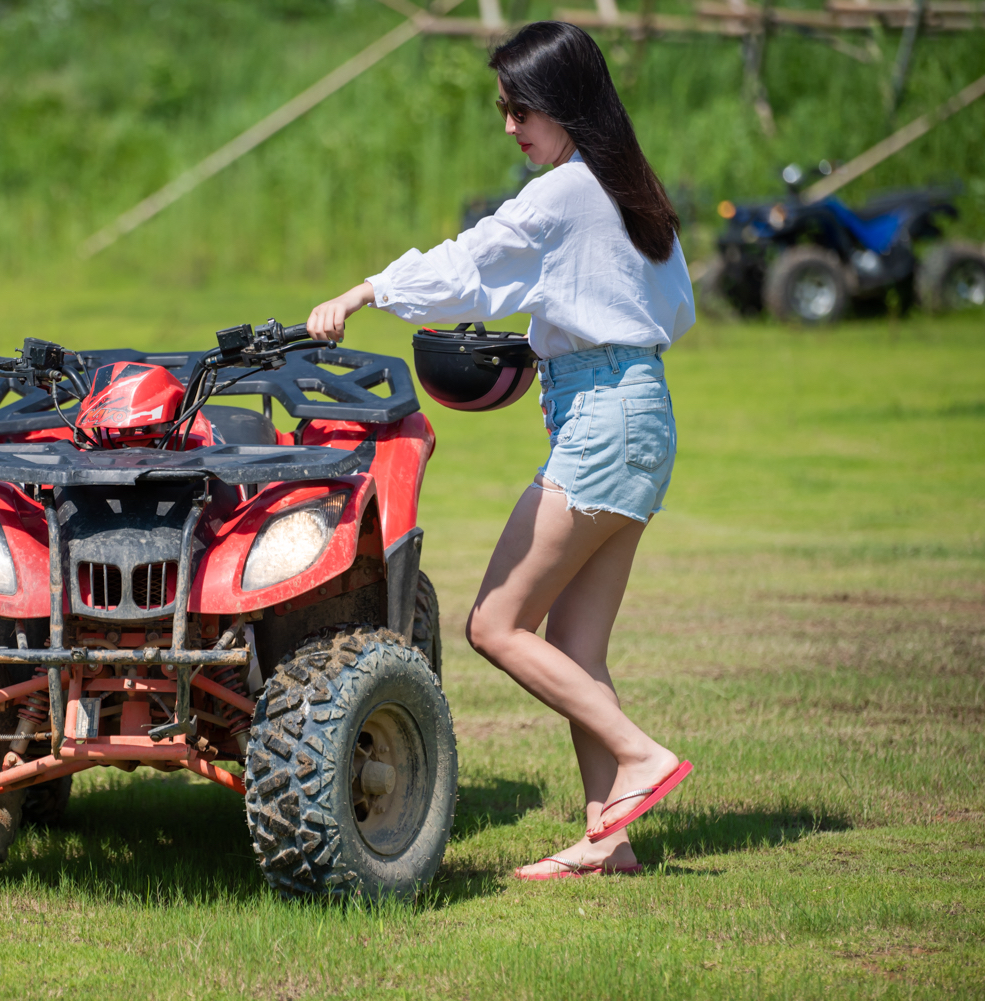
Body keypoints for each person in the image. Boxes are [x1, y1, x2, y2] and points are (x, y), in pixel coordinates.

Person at [306, 21, 694, 881]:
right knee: (576, 647)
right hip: (640, 413)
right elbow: (672, 310)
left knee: (494, 623)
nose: (510, 125)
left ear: (563, 105)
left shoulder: (565, 192)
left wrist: (365, 291)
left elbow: (470, 262)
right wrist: (564, 342)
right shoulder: (631, 188)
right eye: (503, 109)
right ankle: (609, 841)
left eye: (519, 108)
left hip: (600, 421)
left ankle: (640, 754)